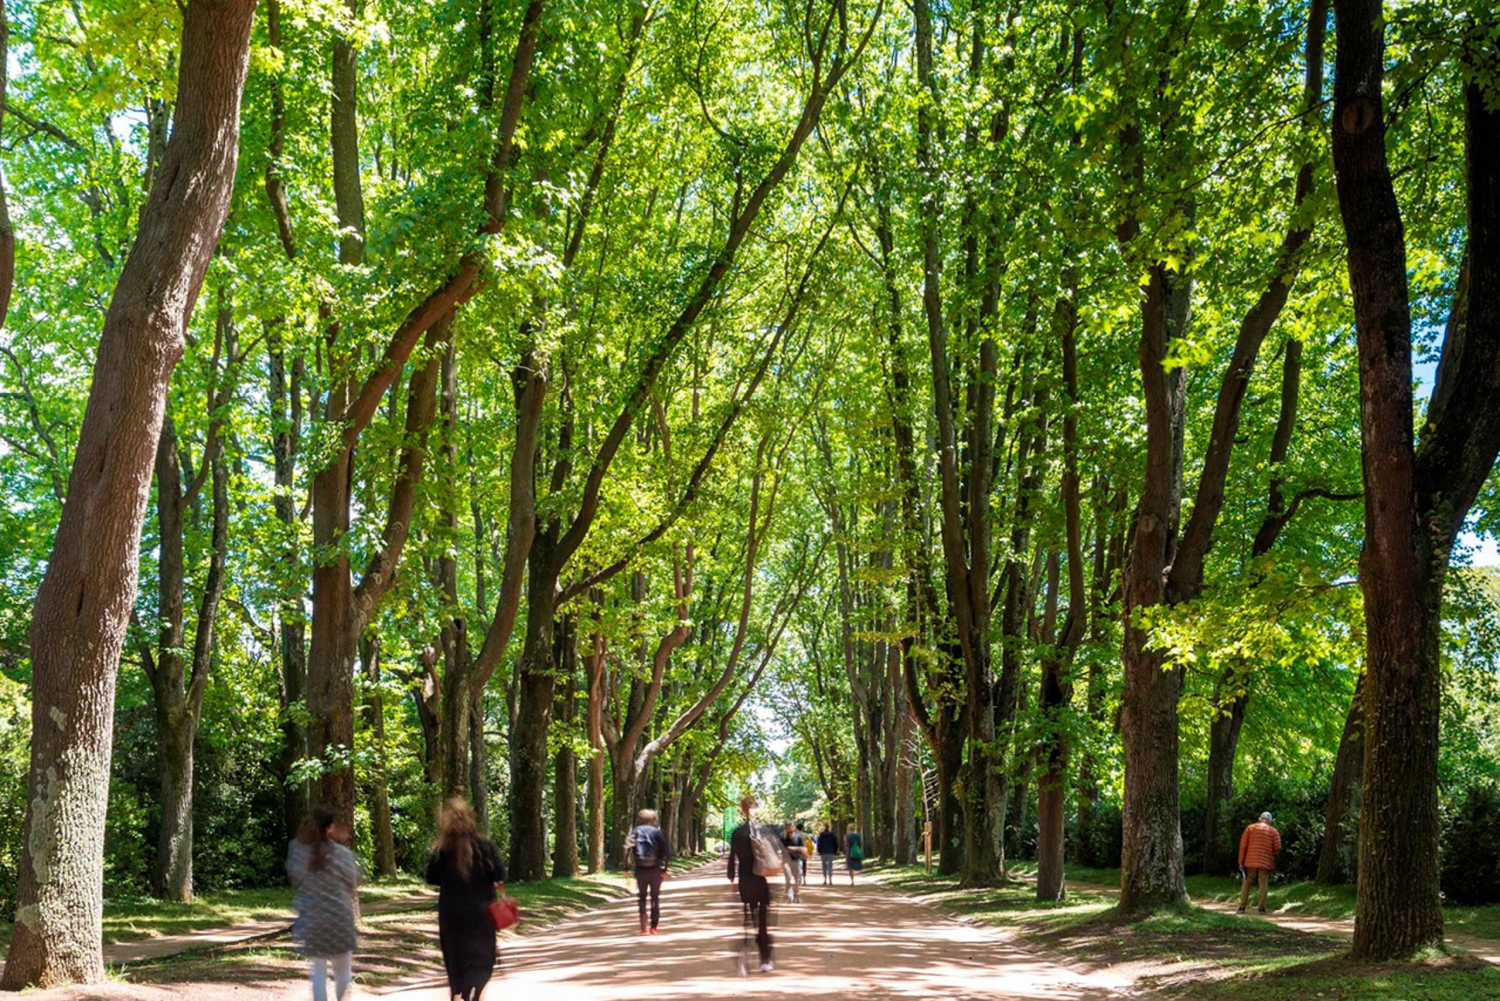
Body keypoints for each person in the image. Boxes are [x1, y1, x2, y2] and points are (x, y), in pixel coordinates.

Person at [426, 798, 508, 1001]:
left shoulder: (442, 850)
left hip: (451, 916)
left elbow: (431, 878)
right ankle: (476, 995)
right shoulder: (486, 846)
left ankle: (457, 993)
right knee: (482, 961)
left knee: (456, 961)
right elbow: (500, 874)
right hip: (482, 915)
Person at [287, 805, 360, 1001]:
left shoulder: (297, 851)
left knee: (318, 973)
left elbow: (295, 876)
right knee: (343, 972)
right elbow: (353, 884)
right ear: (330, 828)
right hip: (340, 919)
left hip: (313, 918)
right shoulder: (344, 854)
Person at [727, 795, 778, 973]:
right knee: (763, 920)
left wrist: (732, 882)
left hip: (744, 879)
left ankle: (745, 957)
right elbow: (774, 854)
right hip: (760, 878)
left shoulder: (736, 833)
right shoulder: (763, 831)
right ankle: (765, 958)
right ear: (755, 808)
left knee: (747, 918)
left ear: (742, 809)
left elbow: (731, 859)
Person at [625, 808, 670, 934]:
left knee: (642, 897)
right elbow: (667, 853)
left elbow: (627, 849)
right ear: (653, 820)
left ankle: (643, 926)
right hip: (655, 869)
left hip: (640, 868)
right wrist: (664, 869)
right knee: (655, 898)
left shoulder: (635, 831)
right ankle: (654, 927)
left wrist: (626, 867)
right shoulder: (659, 833)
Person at [1237, 811, 1283, 915]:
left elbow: (1243, 846)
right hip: (1265, 862)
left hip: (1250, 861)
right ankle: (1261, 908)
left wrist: (1241, 862)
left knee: (1247, 882)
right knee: (1263, 884)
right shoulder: (1273, 831)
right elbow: (1278, 847)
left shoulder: (1250, 828)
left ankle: (1242, 907)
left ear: (1260, 818)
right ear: (1270, 821)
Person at [780, 821, 807, 903]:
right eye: (787, 826)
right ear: (785, 828)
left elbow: (803, 848)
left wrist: (793, 849)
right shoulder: (782, 838)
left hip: (796, 860)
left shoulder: (798, 837)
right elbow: (779, 848)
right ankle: (789, 895)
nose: (789, 828)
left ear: (793, 827)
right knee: (788, 879)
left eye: (790, 826)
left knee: (797, 879)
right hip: (786, 861)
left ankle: (796, 894)